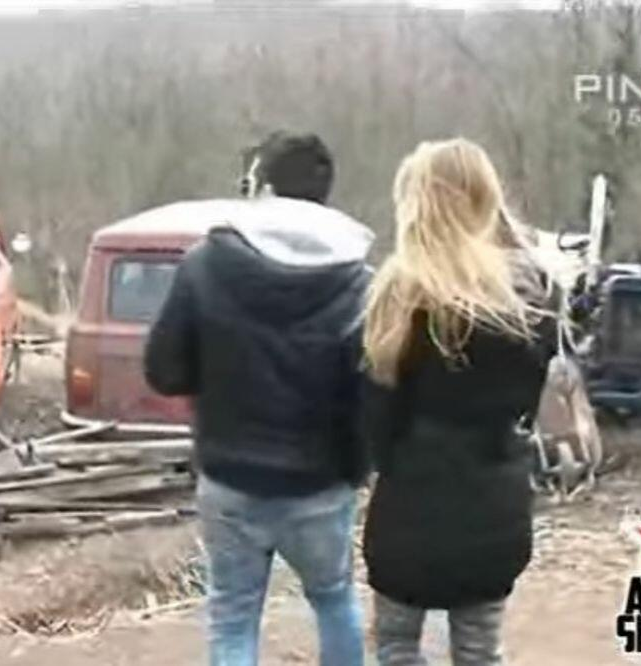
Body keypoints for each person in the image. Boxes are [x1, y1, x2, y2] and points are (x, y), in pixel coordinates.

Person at [144, 131, 372, 666]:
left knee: (233, 617)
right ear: (324, 194)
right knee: (334, 600)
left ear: (263, 186)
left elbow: (164, 371)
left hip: (230, 476)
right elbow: (372, 391)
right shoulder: (359, 283)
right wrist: (357, 466)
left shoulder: (205, 265)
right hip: (321, 483)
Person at [360, 138, 558, 665]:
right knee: (479, 652)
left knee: (397, 646)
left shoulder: (397, 294)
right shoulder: (532, 293)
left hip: (409, 510)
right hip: (496, 506)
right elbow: (530, 402)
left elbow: (376, 422)